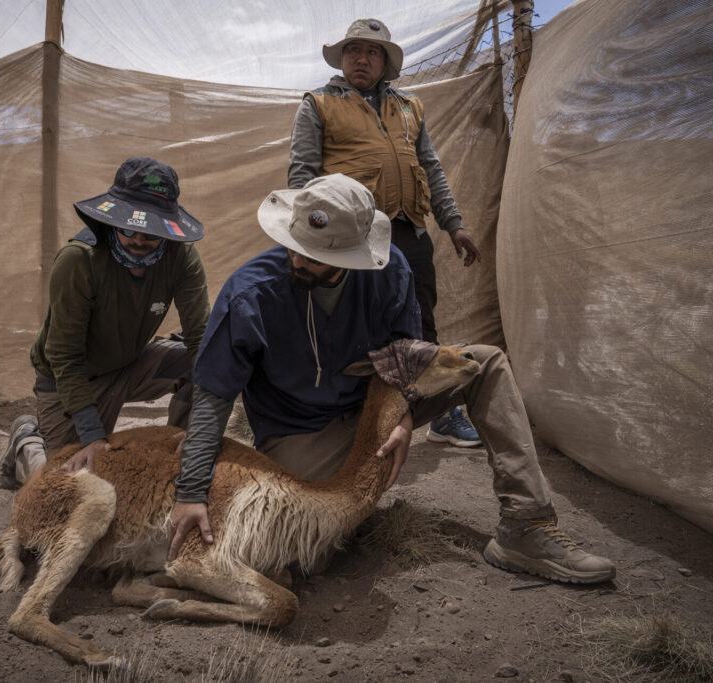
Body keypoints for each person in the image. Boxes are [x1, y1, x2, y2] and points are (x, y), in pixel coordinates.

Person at [167, 174, 616, 585]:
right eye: (294, 245)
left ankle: (526, 525)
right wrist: (190, 492)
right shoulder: (250, 293)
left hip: (377, 401)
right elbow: (213, 394)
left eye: (315, 256)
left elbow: (405, 354)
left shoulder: (390, 270)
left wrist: (401, 415)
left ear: (350, 256)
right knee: (307, 554)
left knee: (485, 362)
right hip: (302, 430)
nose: (297, 259)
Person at [288, 17, 484, 448]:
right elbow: (302, 175)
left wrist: (453, 225)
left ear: (385, 62)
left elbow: (431, 168)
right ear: (342, 58)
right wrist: (311, 238)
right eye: (354, 50)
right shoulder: (318, 103)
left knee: (422, 317)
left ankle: (441, 412)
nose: (362, 59)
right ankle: (349, 416)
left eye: (372, 52)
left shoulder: (410, 107)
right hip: (352, 234)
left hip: (410, 229)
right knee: (353, 321)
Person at [0, 157, 210, 489]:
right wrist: (92, 435)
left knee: (201, 363)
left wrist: (201, 431)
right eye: (128, 228)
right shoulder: (79, 260)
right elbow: (64, 355)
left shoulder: (180, 257)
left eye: (151, 233)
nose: (138, 240)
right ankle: (27, 442)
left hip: (130, 365)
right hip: (70, 379)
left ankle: (176, 457)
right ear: (113, 220)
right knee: (65, 485)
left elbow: (201, 339)